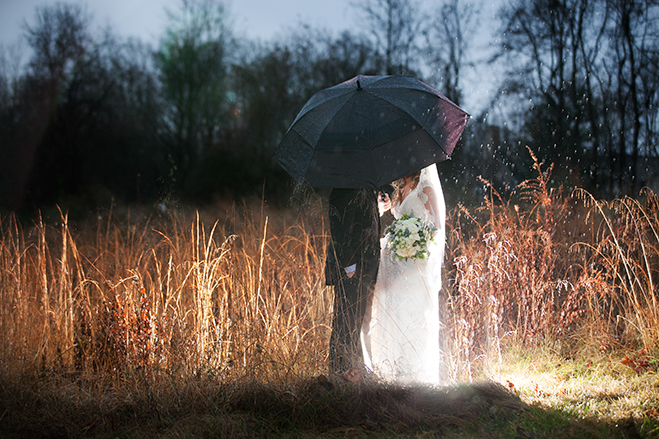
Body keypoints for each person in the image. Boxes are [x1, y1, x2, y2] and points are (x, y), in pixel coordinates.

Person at [361, 163, 446, 385]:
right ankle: (393, 371)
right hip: (393, 264)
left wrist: (415, 240)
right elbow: (400, 218)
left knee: (412, 314)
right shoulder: (400, 188)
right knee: (392, 312)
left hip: (413, 265)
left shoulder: (425, 187)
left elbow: (436, 227)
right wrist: (386, 207)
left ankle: (414, 374)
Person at [325, 188, 391, 375]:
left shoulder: (363, 183)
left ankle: (352, 374)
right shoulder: (343, 185)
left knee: (356, 322)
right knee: (346, 323)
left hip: (365, 266)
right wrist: (348, 266)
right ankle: (340, 374)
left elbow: (358, 220)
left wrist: (377, 208)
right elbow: (338, 227)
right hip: (352, 267)